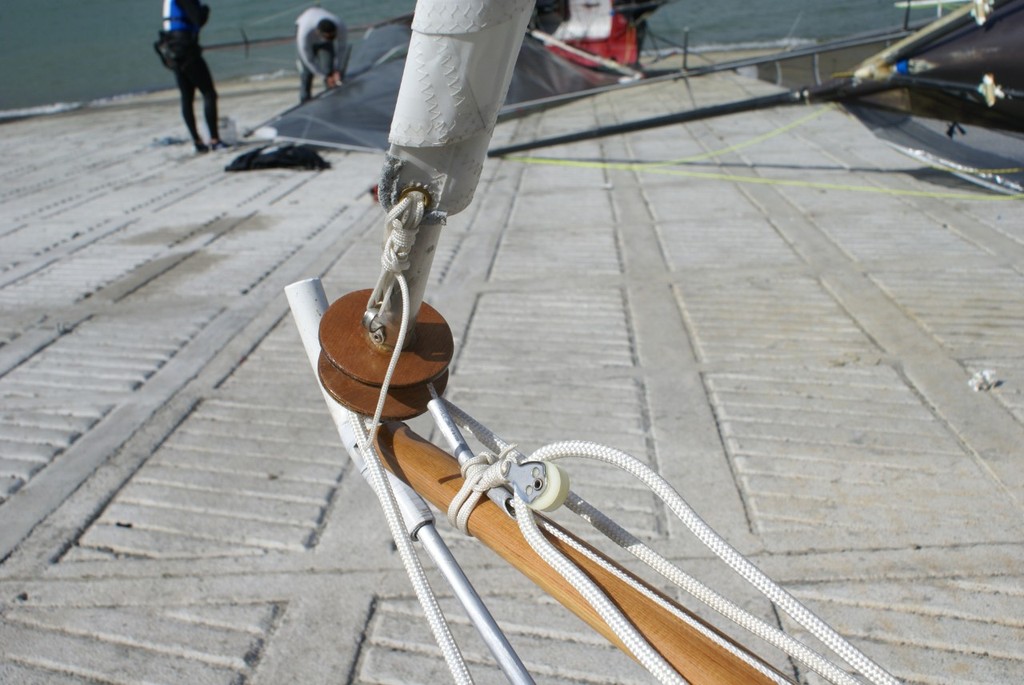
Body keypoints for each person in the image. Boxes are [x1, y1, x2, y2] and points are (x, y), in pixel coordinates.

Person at [160, 0, 224, 153]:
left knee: (187, 96)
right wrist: (205, 11)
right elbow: (197, 19)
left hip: (171, 48)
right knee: (209, 93)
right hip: (185, 47)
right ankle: (214, 140)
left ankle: (197, 141)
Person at [295, 7, 348, 103]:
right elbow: (309, 60)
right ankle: (304, 99)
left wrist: (337, 70)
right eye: (328, 37)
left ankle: (333, 97)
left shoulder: (340, 26)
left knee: (329, 69)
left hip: (322, 36)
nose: (331, 39)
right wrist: (323, 76)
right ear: (318, 33)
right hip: (304, 29)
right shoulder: (304, 33)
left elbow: (342, 49)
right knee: (307, 73)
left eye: (333, 37)